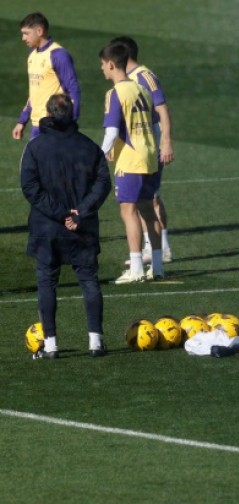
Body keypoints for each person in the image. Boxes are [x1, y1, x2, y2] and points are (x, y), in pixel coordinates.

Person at [20, 94, 111, 359]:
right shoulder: (90, 147)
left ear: (48, 114)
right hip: (81, 227)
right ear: (72, 114)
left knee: (47, 282)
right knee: (89, 280)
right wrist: (79, 212)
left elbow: (30, 187)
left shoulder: (36, 148)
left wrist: (60, 214)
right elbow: (103, 184)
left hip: (47, 228)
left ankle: (51, 345)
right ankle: (96, 341)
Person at [98, 41, 164, 284]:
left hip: (130, 160)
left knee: (128, 210)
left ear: (112, 64)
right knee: (148, 209)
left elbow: (112, 132)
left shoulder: (115, 93)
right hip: (149, 157)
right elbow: (154, 127)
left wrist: (97, 156)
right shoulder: (142, 90)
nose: (102, 70)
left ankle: (136, 268)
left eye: (103, 65)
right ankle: (157, 267)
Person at [111, 36, 175, 264]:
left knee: (151, 197)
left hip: (150, 145)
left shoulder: (144, 77)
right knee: (142, 199)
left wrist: (166, 141)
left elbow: (163, 109)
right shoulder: (128, 80)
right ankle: (155, 249)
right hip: (139, 147)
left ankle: (161, 249)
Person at [12, 12, 81, 142]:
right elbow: (35, 92)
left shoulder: (58, 55)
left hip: (54, 125)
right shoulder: (32, 55)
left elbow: (73, 90)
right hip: (37, 125)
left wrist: (71, 123)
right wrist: (22, 121)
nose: (23, 38)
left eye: (26, 33)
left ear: (39, 31)